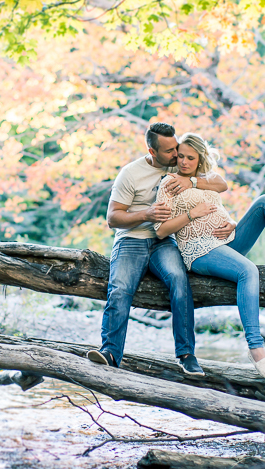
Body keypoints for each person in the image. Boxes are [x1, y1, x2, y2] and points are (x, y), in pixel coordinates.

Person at [153, 133, 265, 379]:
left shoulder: (204, 179)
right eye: (181, 156)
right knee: (248, 271)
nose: (184, 162)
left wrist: (231, 221)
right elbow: (161, 230)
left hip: (227, 240)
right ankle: (256, 347)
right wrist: (192, 214)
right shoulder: (169, 183)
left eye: (190, 157)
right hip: (198, 249)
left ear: (200, 159)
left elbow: (222, 186)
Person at [86, 123, 229, 377]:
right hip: (132, 239)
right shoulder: (130, 174)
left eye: (177, 148)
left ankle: (186, 355)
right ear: (152, 151)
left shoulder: (179, 165)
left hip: (164, 242)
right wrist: (146, 213)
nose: (177, 155)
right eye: (170, 151)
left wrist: (192, 181)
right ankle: (110, 353)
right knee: (120, 288)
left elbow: (220, 183)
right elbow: (112, 218)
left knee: (178, 279)